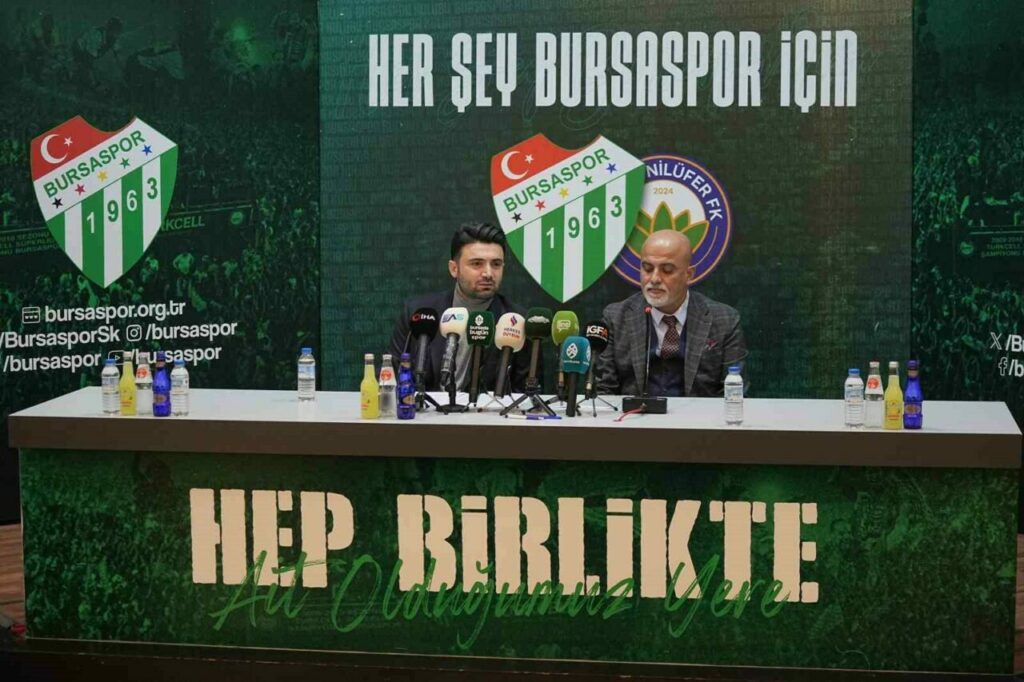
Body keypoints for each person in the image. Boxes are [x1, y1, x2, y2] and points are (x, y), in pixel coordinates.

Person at [594, 230, 746, 397]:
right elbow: (604, 392)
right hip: (634, 413)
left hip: (698, 414)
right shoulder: (616, 318)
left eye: (666, 270)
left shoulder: (724, 320)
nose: (654, 279)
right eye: (647, 269)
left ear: (688, 275)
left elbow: (733, 393)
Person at [390, 222, 533, 393]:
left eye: (496, 264)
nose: (488, 273)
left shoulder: (518, 321)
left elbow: (525, 395)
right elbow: (391, 376)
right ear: (454, 269)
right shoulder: (418, 313)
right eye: (477, 264)